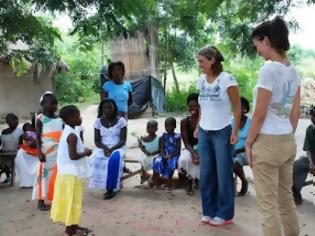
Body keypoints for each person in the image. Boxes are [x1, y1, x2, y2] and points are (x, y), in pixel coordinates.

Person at [246, 16, 300, 235]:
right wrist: (286, 136)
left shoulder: (269, 70)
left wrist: (249, 143)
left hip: (267, 142)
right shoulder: (293, 70)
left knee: (268, 206)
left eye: (257, 45)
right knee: (286, 199)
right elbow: (295, 112)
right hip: (287, 140)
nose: (257, 51)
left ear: (266, 40)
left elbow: (258, 114)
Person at [196, 45, 241, 226]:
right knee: (206, 174)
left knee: (223, 174)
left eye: (201, 61)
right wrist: (197, 125)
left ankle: (225, 214)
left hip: (223, 132)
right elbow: (202, 105)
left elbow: (237, 106)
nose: (199, 65)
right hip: (204, 131)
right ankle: (209, 211)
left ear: (212, 60)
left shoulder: (227, 79)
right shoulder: (201, 80)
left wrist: (235, 131)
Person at [50, 105, 92, 236]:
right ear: (70, 118)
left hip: (69, 173)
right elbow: (73, 156)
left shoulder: (70, 132)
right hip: (70, 174)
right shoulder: (71, 136)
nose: (80, 118)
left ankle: (74, 226)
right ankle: (69, 231)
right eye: (77, 115)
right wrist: (85, 153)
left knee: (74, 201)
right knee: (71, 202)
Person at [89, 99, 127, 200]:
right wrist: (105, 148)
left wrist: (112, 149)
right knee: (95, 158)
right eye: (105, 107)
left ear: (114, 108)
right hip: (103, 147)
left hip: (118, 147)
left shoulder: (121, 121)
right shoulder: (98, 122)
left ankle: (111, 188)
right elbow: (97, 141)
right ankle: (105, 186)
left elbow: (123, 140)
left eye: (110, 107)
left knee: (114, 160)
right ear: (102, 109)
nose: (108, 110)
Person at [32, 92, 64, 211]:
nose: (54, 106)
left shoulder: (60, 119)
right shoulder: (40, 119)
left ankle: (56, 197)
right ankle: (40, 201)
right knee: (43, 176)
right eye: (51, 104)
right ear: (43, 105)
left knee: (57, 175)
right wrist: (39, 152)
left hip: (58, 152)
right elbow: (38, 136)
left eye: (55, 104)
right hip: (46, 153)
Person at [178, 93, 200, 195]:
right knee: (185, 159)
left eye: (195, 106)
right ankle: (190, 180)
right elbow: (186, 142)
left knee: (207, 159)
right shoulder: (184, 122)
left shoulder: (205, 120)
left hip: (203, 148)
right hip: (189, 148)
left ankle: (200, 180)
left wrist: (199, 153)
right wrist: (194, 153)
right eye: (190, 106)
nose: (192, 108)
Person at [292, 105, 315, 205]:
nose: (312, 119)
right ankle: (296, 194)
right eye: (312, 116)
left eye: (314, 117)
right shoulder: (310, 129)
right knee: (296, 166)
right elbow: (308, 149)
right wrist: (311, 164)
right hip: (312, 160)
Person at [152, 117, 181, 192]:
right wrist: (164, 155)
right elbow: (161, 148)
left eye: (169, 126)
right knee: (157, 161)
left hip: (173, 155)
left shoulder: (177, 137)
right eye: (166, 126)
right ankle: (156, 183)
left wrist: (170, 156)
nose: (167, 128)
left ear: (174, 126)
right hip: (163, 154)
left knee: (170, 163)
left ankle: (168, 184)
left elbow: (178, 149)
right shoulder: (163, 136)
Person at [232, 97, 252, 196]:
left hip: (246, 151)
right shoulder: (231, 121)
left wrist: (237, 151)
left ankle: (244, 182)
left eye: (240, 107)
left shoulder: (251, 122)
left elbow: (252, 142)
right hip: (232, 150)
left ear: (245, 108)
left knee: (235, 162)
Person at [0, 113, 23, 183]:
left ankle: (8, 174)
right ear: (7, 122)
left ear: (17, 121)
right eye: (9, 121)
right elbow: (1, 143)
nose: (12, 122)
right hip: (4, 153)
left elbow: (21, 144)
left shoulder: (19, 132)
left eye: (14, 120)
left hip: (14, 153)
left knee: (6, 162)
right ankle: (8, 175)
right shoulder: (4, 132)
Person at [15, 122, 39, 188]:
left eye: (31, 127)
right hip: (25, 152)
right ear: (24, 130)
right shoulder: (23, 135)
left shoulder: (37, 134)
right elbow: (20, 145)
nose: (30, 128)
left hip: (35, 152)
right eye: (28, 127)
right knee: (19, 156)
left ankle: (36, 181)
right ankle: (26, 182)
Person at [138, 120, 160, 184]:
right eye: (148, 127)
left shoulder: (158, 138)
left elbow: (160, 149)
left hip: (155, 155)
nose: (149, 129)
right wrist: (145, 151)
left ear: (156, 129)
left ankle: (155, 178)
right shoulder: (144, 138)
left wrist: (153, 153)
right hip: (147, 154)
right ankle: (144, 175)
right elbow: (142, 148)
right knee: (143, 160)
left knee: (156, 162)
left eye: (152, 127)